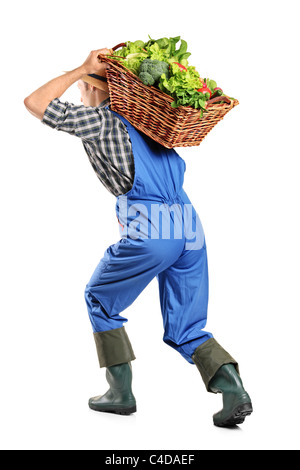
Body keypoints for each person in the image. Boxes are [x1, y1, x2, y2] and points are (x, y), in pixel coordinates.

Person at [24, 48, 253, 427]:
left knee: (99, 297)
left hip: (154, 228)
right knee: (187, 326)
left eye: (82, 88)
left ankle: (120, 392)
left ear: (96, 90)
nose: (79, 96)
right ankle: (233, 391)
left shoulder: (102, 122)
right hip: (190, 227)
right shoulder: (153, 123)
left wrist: (84, 68)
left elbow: (35, 103)